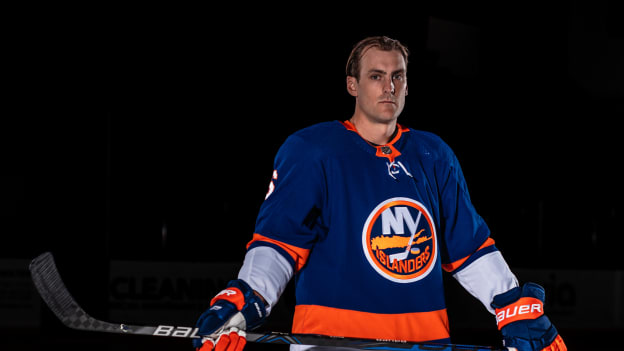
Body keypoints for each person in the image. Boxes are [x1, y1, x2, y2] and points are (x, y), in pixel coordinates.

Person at [193, 36, 567, 351]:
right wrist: (243, 302)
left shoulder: (433, 153)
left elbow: (468, 247)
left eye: (397, 76)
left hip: (424, 341)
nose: (389, 86)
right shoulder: (312, 150)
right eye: (376, 76)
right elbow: (279, 242)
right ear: (352, 85)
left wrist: (514, 306)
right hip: (332, 342)